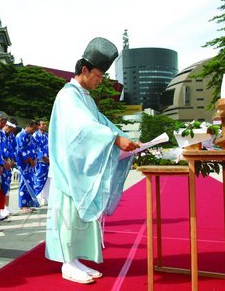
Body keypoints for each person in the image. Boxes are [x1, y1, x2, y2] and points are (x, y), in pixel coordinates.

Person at [45, 37, 140, 284]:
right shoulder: (68, 96)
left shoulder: (84, 96)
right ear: (84, 70)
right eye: (98, 75)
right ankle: (67, 263)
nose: (100, 80)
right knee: (68, 218)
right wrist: (115, 140)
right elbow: (83, 128)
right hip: (69, 171)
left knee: (80, 218)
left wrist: (123, 138)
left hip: (77, 169)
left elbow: (101, 123)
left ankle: (75, 259)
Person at [15, 120, 39, 213]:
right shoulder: (20, 136)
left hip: (30, 164)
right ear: (28, 127)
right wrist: (29, 159)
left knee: (30, 183)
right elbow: (21, 150)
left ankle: (28, 203)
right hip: (23, 164)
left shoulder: (31, 137)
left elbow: (35, 148)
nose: (34, 131)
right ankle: (22, 206)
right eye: (33, 129)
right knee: (24, 184)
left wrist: (34, 159)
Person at [33, 119, 50, 205]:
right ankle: (37, 198)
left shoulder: (47, 135)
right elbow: (36, 148)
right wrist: (43, 157)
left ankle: (45, 197)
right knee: (39, 179)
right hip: (40, 161)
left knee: (47, 179)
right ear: (38, 126)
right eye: (42, 124)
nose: (44, 126)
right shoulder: (35, 135)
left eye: (45, 124)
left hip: (48, 161)